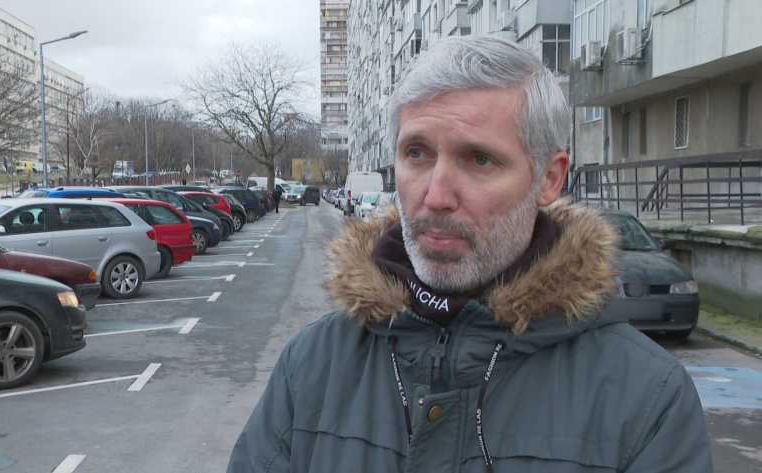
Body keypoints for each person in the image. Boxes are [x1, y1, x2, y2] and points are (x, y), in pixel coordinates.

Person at [227, 36, 713, 472]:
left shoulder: (648, 399)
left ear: (549, 178)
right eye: (417, 153)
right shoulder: (311, 367)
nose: (436, 195)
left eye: (479, 159)